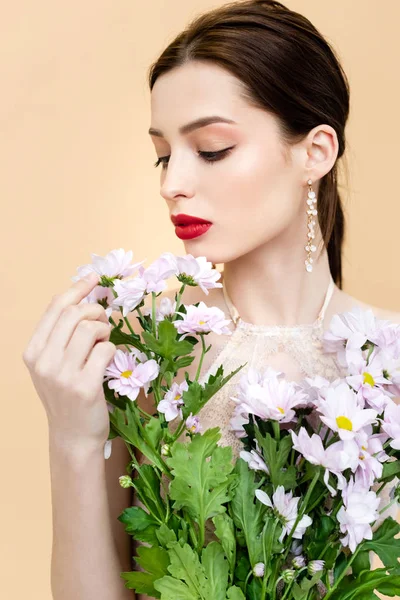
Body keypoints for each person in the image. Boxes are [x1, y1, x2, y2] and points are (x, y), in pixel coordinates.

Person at [22, 1, 400, 599]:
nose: (172, 183)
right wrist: (71, 439)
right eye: (163, 154)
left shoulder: (390, 360)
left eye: (213, 149)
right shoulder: (148, 350)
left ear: (316, 152)